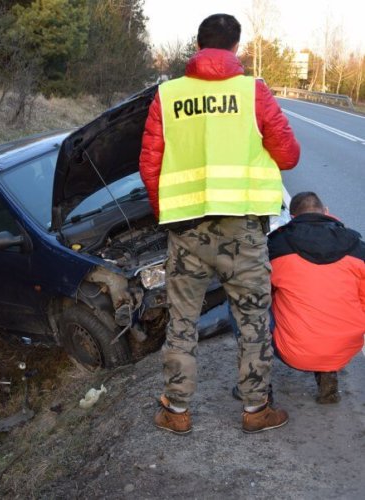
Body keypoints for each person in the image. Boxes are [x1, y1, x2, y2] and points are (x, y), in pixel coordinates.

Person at [139, 13, 300, 434]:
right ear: (235, 48)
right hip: (243, 232)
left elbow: (150, 165)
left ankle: (176, 412)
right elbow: (288, 155)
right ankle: (256, 410)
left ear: (198, 46)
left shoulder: (168, 95)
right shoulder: (254, 92)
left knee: (182, 320)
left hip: (187, 230)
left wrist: (167, 214)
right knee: (251, 319)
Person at [268, 192, 365, 403]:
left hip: (292, 351)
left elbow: (262, 294)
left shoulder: (276, 247)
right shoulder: (358, 248)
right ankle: (328, 372)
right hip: (346, 347)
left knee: (244, 303)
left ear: (292, 218)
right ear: (327, 212)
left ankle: (257, 387)